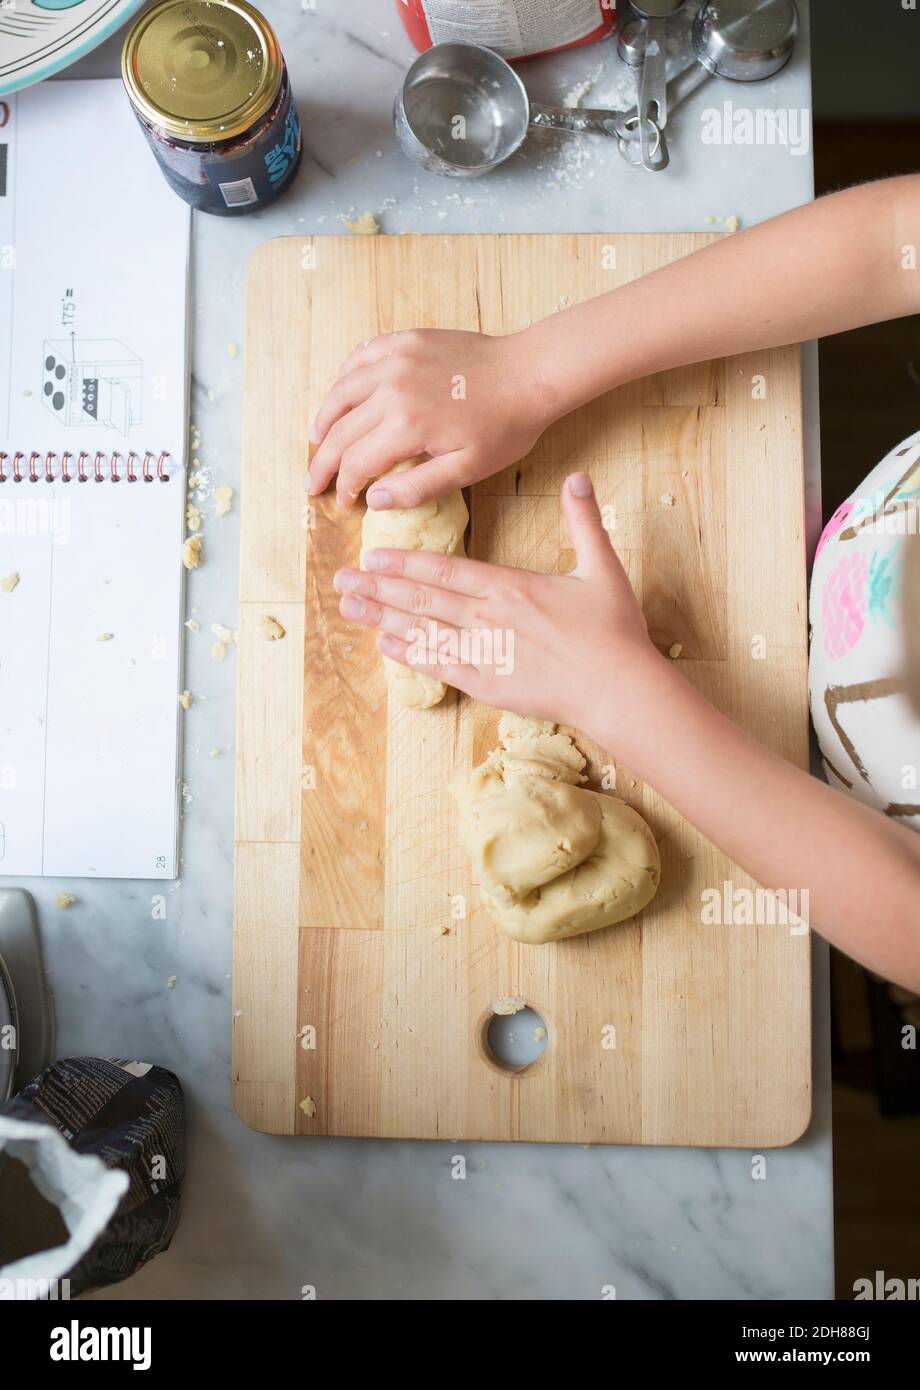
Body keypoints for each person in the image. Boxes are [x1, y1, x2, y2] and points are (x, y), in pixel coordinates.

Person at [308, 175, 920, 991]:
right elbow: (892, 244)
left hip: (858, 813)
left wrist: (617, 696)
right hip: (853, 563)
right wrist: (530, 371)